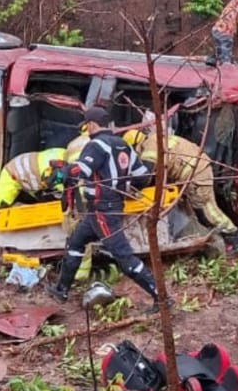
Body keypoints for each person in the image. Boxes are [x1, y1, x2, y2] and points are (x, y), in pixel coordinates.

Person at [50, 106, 160, 306]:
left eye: (86, 126)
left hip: (102, 210)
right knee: (75, 242)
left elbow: (80, 169)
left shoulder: (96, 145)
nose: (87, 130)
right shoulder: (123, 145)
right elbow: (143, 176)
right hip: (108, 208)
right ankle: (61, 290)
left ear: (92, 124)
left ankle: (161, 298)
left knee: (124, 256)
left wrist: (62, 170)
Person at [135, 113, 238, 254]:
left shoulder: (149, 146)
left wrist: (135, 185)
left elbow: (147, 174)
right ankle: (214, 239)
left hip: (195, 173)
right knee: (195, 211)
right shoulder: (157, 138)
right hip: (193, 170)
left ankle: (233, 238)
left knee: (206, 210)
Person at [0, 146, 68, 250]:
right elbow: (63, 190)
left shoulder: (64, 154)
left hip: (31, 178)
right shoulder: (59, 169)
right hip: (13, 174)